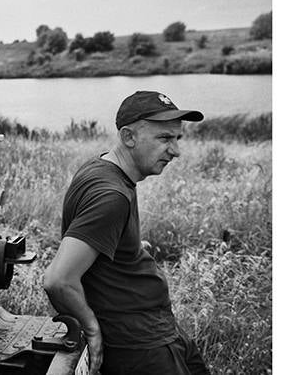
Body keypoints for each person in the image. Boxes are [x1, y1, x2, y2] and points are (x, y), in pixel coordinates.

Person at [42, 91, 210, 375]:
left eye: (177, 139)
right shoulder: (111, 195)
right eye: (165, 139)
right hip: (141, 343)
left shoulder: (101, 168)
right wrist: (92, 330)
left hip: (154, 329)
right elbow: (58, 280)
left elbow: (96, 240)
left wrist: (128, 246)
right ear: (129, 137)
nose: (176, 151)